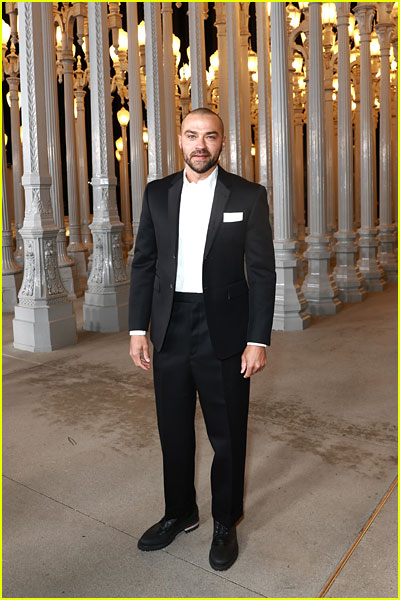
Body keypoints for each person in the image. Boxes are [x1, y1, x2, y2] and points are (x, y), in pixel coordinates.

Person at [129, 107, 276, 571]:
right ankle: (180, 512)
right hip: (170, 326)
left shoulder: (248, 196)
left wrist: (258, 340)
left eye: (209, 137)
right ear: (179, 139)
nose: (200, 145)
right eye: (192, 135)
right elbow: (144, 264)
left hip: (226, 332)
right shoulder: (157, 194)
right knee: (173, 430)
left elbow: (263, 273)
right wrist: (138, 330)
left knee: (227, 435)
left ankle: (224, 522)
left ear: (222, 141)